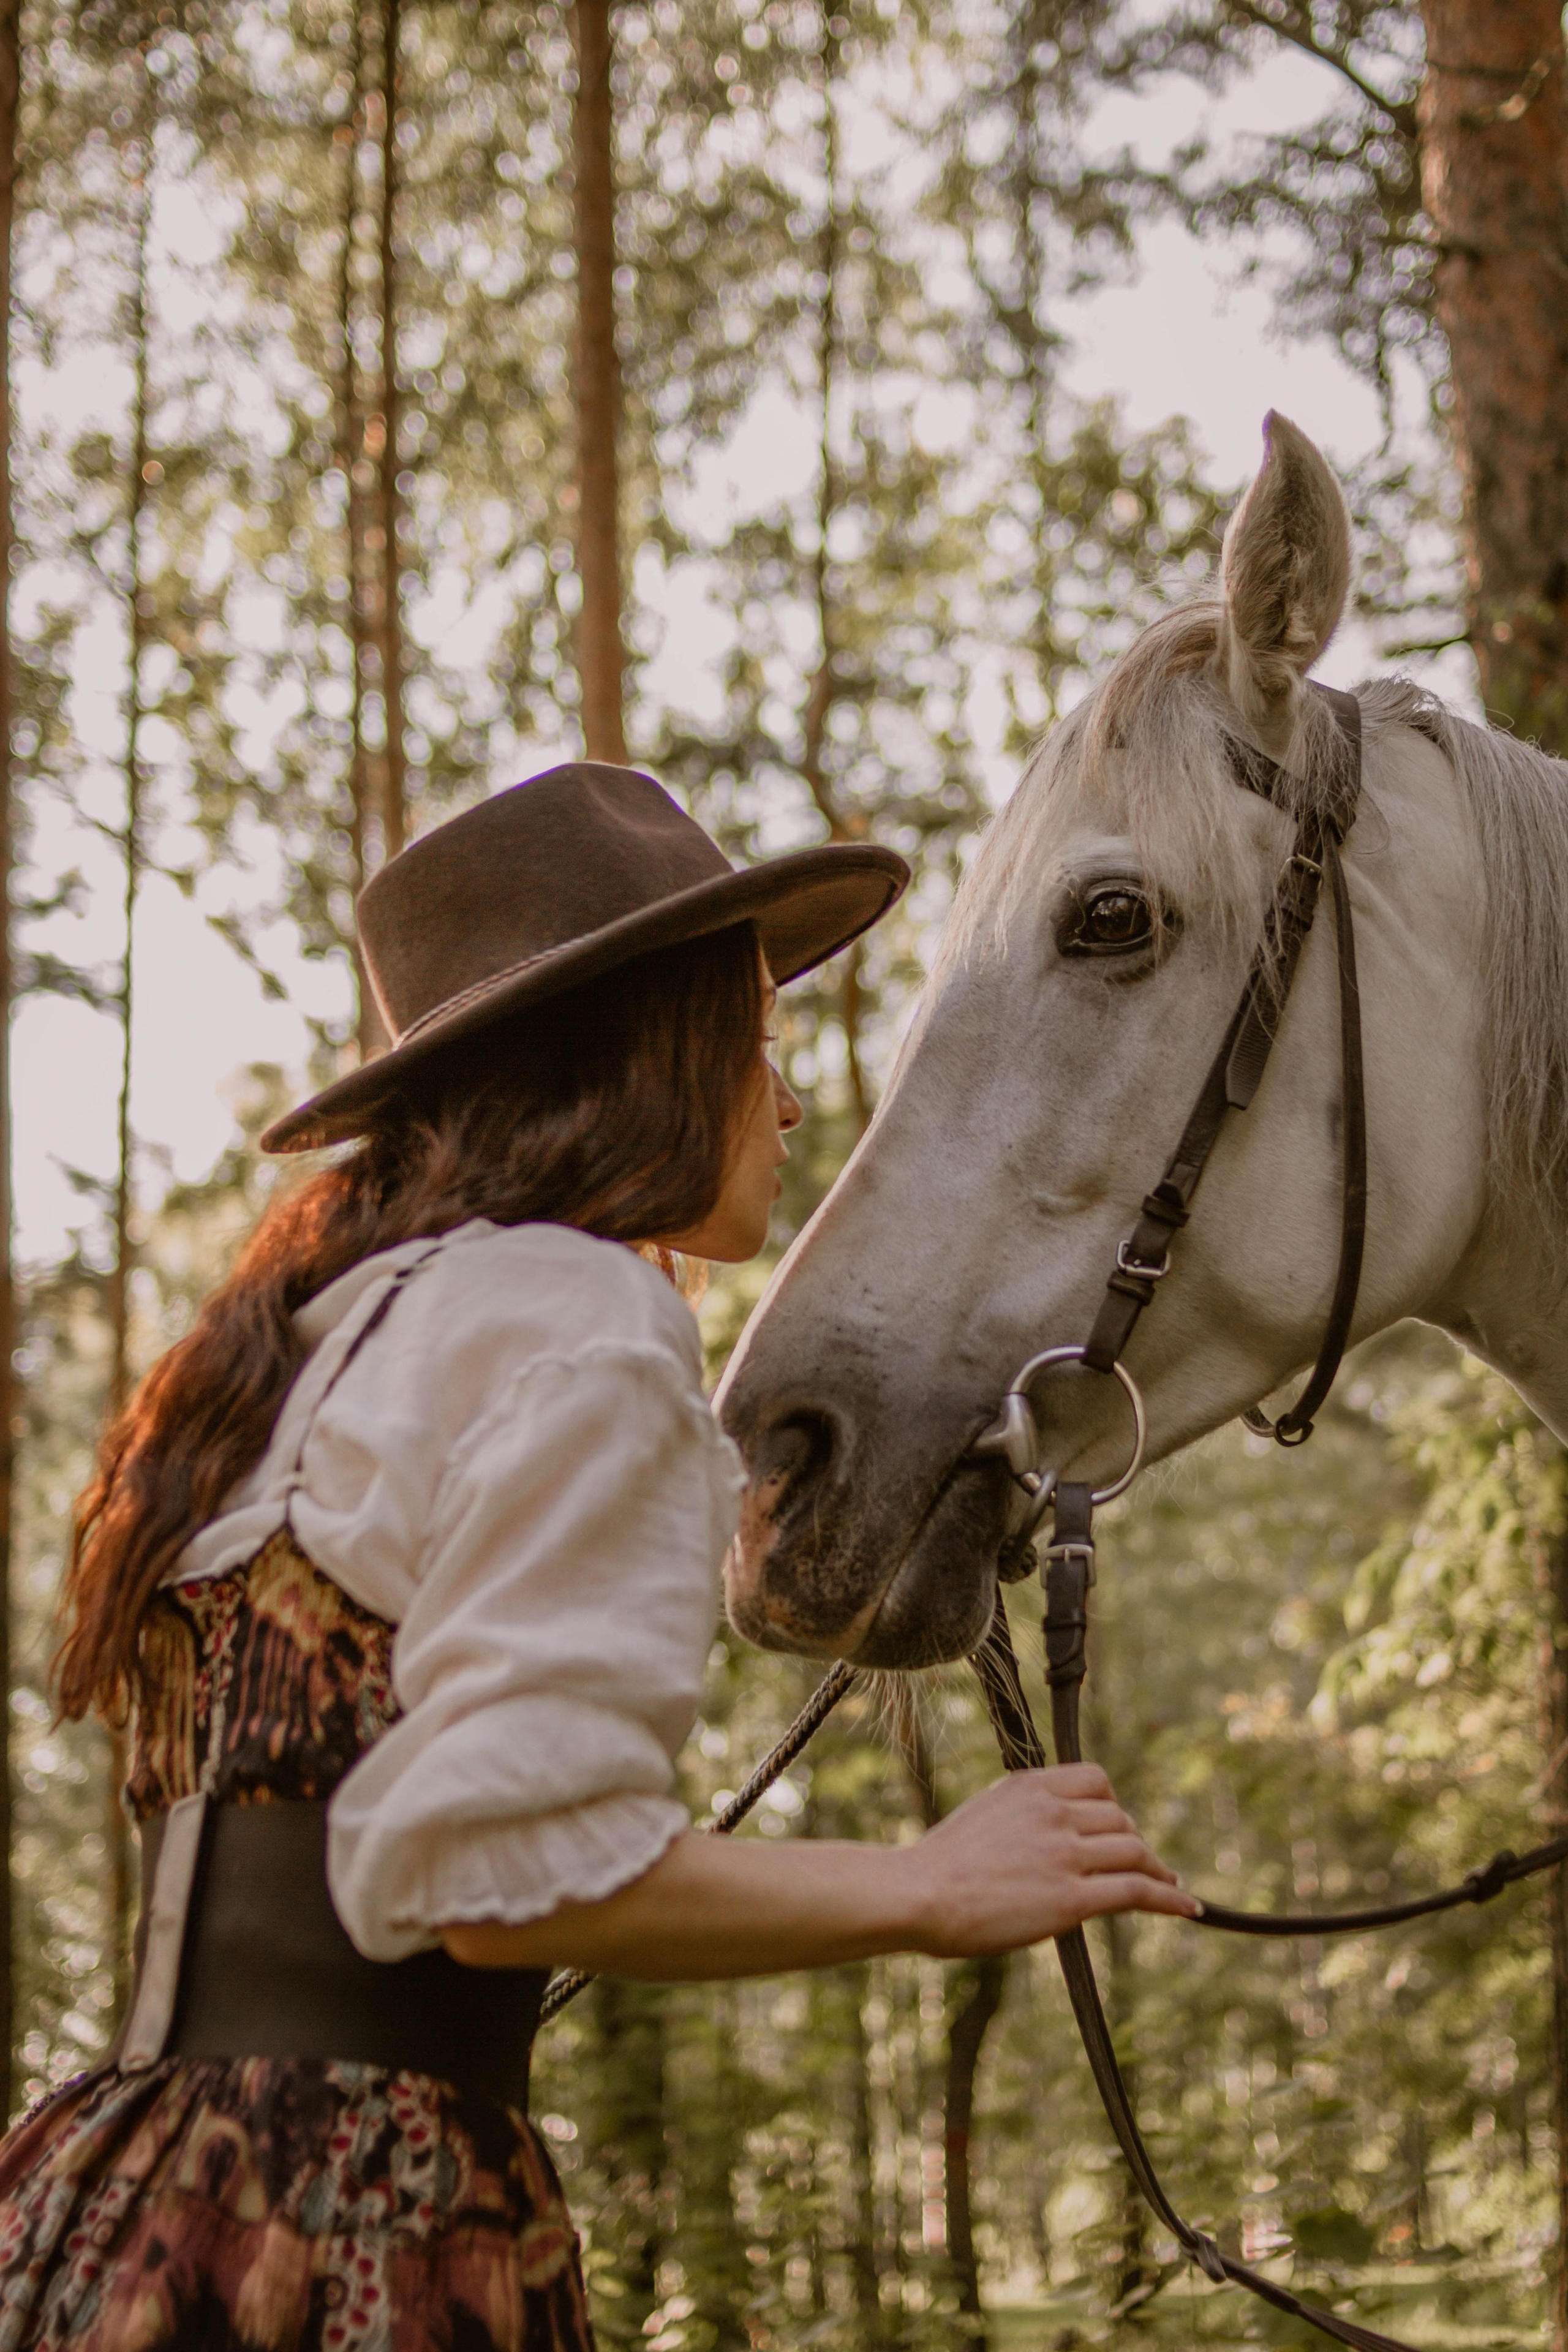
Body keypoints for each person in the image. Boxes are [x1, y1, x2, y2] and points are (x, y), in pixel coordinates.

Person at [0, 764, 1193, 2350]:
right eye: (755, 1038)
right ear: (650, 1047)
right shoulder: (583, 1319)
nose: (784, 1100)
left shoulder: (317, 1339)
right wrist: (924, 1885)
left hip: (128, 2199)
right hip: (358, 2224)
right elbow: (494, 1882)